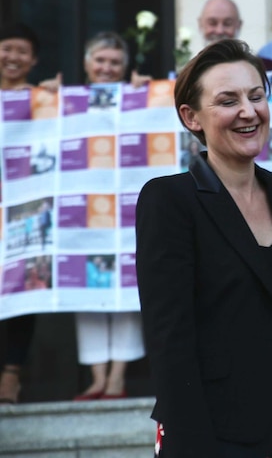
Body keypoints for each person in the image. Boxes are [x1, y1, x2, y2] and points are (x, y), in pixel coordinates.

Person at [136, 39, 272, 457]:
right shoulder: (170, 200)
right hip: (213, 434)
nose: (249, 111)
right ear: (191, 117)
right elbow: (169, 341)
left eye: (256, 96)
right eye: (228, 101)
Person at [73, 32, 147, 401]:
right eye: (100, 61)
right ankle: (97, 378)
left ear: (125, 67)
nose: (106, 68)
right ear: (86, 64)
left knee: (126, 287)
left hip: (126, 209)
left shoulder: (137, 97)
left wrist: (146, 90)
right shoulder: (64, 102)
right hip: (84, 212)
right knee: (85, 291)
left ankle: (117, 378)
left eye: (114, 62)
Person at [0, 23, 42, 403]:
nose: (12, 57)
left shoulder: (43, 100)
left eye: (21, 51)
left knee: (20, 290)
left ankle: (11, 375)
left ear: (34, 60)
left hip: (23, 211)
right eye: (6, 48)